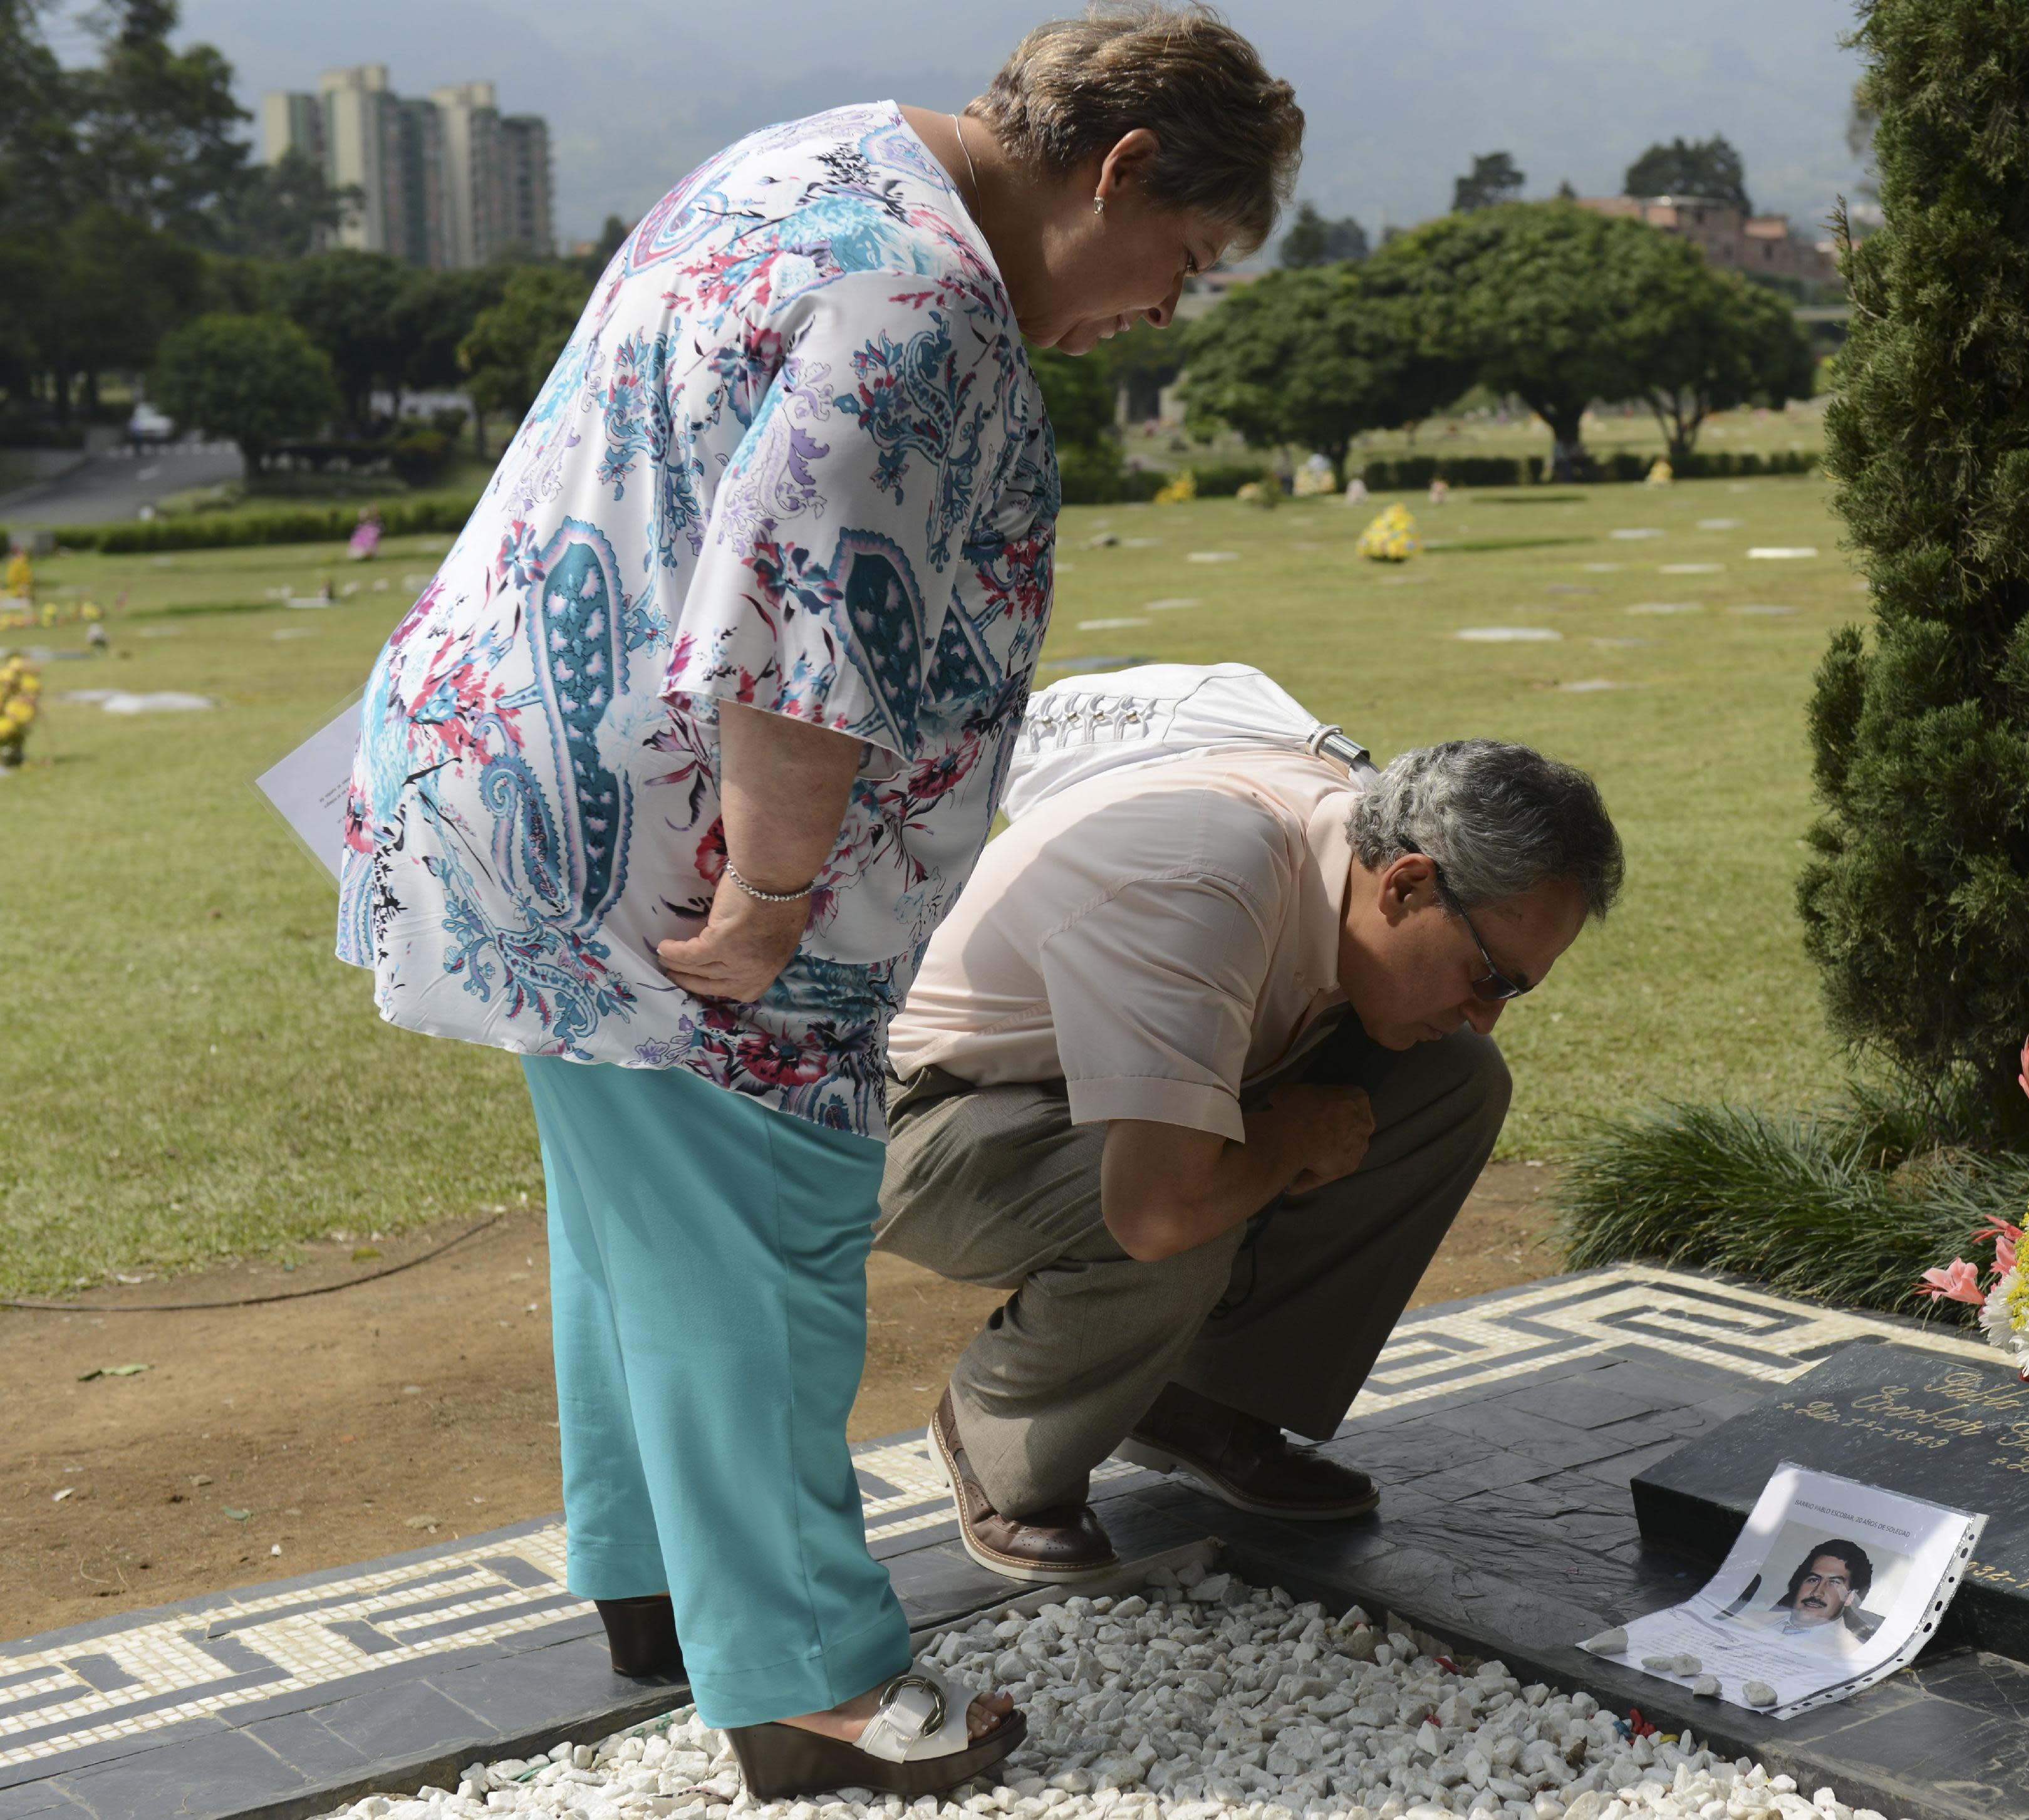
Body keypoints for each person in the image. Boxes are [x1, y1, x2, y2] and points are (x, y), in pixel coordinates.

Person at [333, 4, 1302, 1800]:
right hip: (678, 846)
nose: (1172, 305)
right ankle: (805, 1681)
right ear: (1124, 169)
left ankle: (652, 1580)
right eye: (1187, 256)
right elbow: (799, 631)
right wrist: (774, 902)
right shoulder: (927, 296)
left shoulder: (825, 160)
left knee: (639, 1228)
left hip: (516, 772)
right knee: (758, 1247)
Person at [874, 737, 1622, 1579]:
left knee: (1455, 1080)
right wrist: (1288, 1137)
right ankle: (997, 1430)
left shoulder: (1351, 837)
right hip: (922, 1109)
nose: (1488, 1012)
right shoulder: (1209, 882)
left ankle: (1189, 1399)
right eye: (1489, 976)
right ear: (1406, 884)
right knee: (1180, 1209)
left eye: (1515, 989)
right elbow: (1156, 1209)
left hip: (1070, 1082)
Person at [1739, 1540, 1877, 1657]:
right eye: (1813, 1579)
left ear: (1850, 1597)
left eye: (1834, 1583)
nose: (1817, 1593)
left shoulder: (1850, 1654)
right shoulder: (1747, 1619)